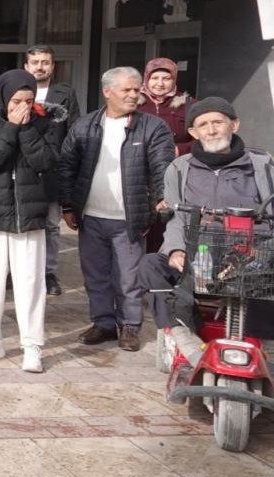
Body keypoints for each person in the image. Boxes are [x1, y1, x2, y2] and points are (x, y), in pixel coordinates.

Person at [136, 97, 274, 342]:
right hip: (198, 254)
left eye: (218, 122)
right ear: (193, 132)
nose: (211, 130)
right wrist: (176, 250)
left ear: (234, 124)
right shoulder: (179, 168)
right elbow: (177, 217)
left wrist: (258, 252)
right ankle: (183, 332)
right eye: (203, 125)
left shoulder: (262, 165)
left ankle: (258, 341)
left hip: (251, 255)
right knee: (150, 266)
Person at [57, 66, 174, 351]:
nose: (134, 95)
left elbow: (163, 168)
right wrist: (68, 205)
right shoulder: (85, 125)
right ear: (107, 91)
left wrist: (159, 203)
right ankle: (104, 323)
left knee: (128, 278)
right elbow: (67, 167)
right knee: (95, 275)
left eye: (137, 90)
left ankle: (130, 326)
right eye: (127, 90)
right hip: (91, 216)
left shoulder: (152, 127)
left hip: (130, 218)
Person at [0, 70, 66, 373]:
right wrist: (10, 127)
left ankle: (32, 345)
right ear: (2, 98)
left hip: (29, 212)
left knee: (30, 282)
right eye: (16, 100)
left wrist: (25, 130)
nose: (23, 106)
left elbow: (46, 161)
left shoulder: (46, 123)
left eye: (29, 99)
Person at [26, 44, 81, 297]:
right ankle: (22, 272)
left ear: (53, 66)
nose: (40, 66)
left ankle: (48, 272)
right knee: (25, 223)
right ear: (26, 66)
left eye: (45, 62)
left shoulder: (65, 93)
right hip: (23, 169)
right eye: (35, 62)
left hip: (53, 168)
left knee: (51, 224)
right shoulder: (18, 89)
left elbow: (74, 133)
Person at [138, 58, 196, 254]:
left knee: (168, 221)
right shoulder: (134, 103)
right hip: (140, 176)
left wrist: (179, 149)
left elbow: (203, 139)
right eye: (155, 78)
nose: (160, 83)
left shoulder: (188, 104)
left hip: (175, 173)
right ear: (146, 78)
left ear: (175, 80)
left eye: (166, 78)